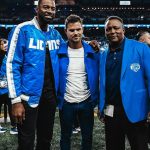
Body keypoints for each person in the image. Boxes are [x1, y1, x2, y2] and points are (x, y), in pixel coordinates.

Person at [6, 0, 64, 149]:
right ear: (36, 9)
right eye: (46, 7)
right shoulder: (23, 29)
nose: (50, 11)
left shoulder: (55, 34)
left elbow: (69, 50)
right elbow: (12, 64)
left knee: (45, 140)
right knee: (26, 143)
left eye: (53, 8)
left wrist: (89, 45)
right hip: (27, 98)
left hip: (50, 97)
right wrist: (15, 100)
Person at [98, 16, 150, 150]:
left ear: (123, 30)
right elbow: (103, 83)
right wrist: (101, 106)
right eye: (108, 29)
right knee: (113, 146)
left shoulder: (141, 48)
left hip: (136, 109)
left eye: (116, 28)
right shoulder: (103, 54)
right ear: (105, 32)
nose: (112, 31)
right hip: (111, 111)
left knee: (139, 146)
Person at [57, 14, 99, 150]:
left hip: (86, 102)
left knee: (87, 137)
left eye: (78, 29)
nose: (76, 33)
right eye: (72, 30)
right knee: (65, 137)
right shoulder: (58, 52)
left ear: (82, 29)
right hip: (67, 102)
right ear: (66, 32)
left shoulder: (92, 51)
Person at [0, 38, 17, 134]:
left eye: (7, 44)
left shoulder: (9, 55)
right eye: (3, 44)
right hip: (1, 86)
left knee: (12, 106)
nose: (6, 46)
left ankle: (14, 126)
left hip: (8, 87)